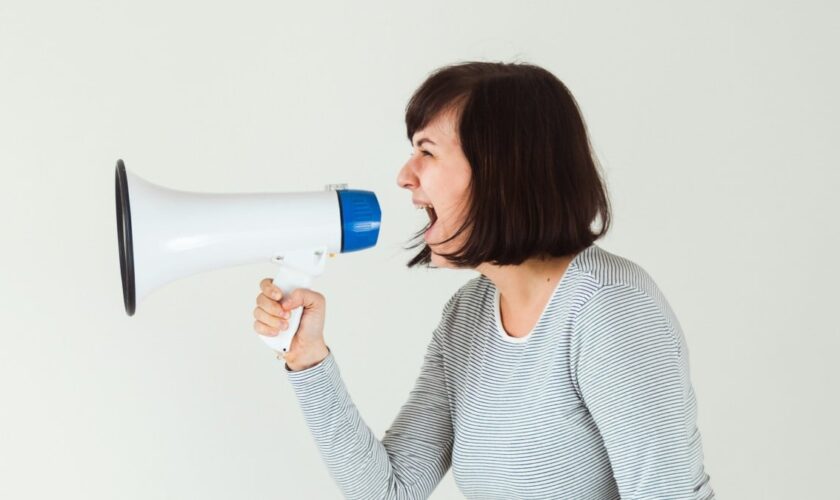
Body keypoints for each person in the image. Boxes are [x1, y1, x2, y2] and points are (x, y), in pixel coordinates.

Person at [252, 61, 716, 499]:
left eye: (426, 152)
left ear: (501, 172)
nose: (404, 176)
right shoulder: (467, 315)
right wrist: (308, 358)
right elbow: (389, 489)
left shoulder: (609, 309)